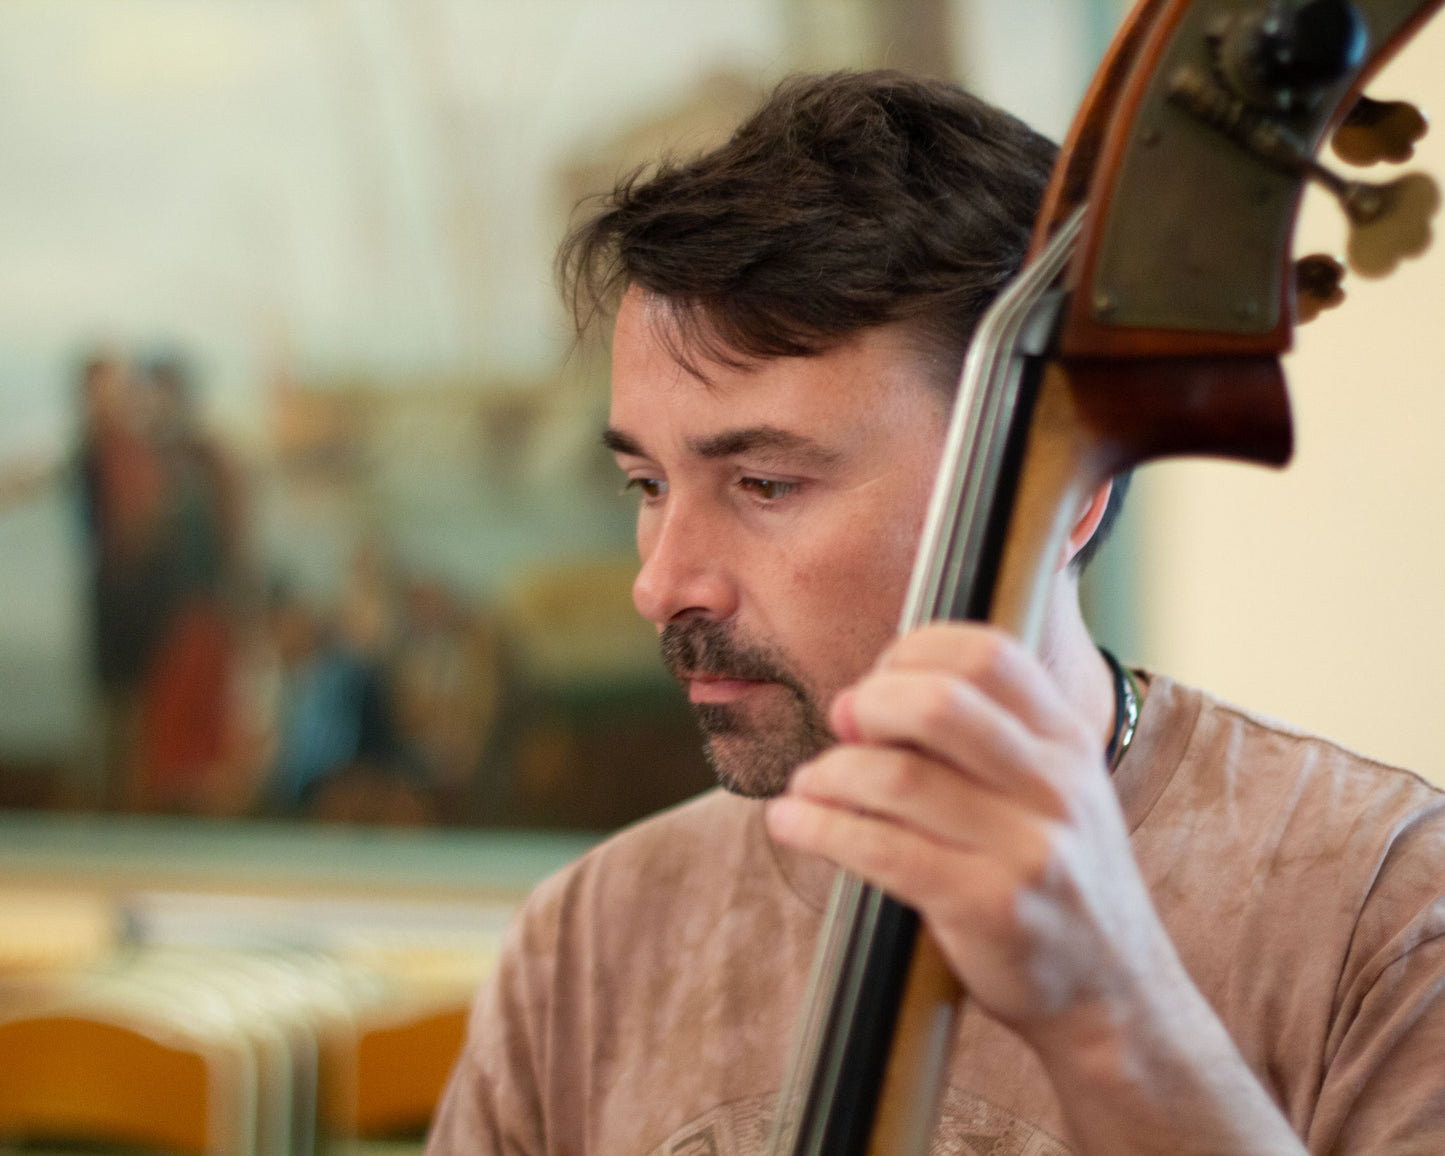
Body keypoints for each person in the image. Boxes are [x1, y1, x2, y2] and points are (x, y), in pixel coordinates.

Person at [427, 72, 1445, 1155]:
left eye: (764, 484)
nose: (662, 581)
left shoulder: (1382, 912)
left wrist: (1108, 1003)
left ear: (1059, 495)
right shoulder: (587, 945)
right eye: (647, 486)